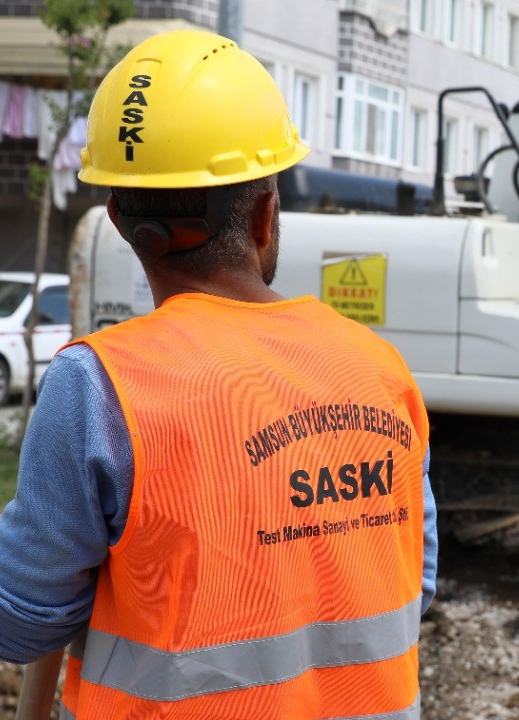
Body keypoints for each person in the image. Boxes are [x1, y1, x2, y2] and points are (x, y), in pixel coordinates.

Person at [0, 29, 436, 720]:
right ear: (265, 214)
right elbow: (418, 577)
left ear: (118, 219)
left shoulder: (99, 388)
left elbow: (22, 624)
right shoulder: (381, 371)